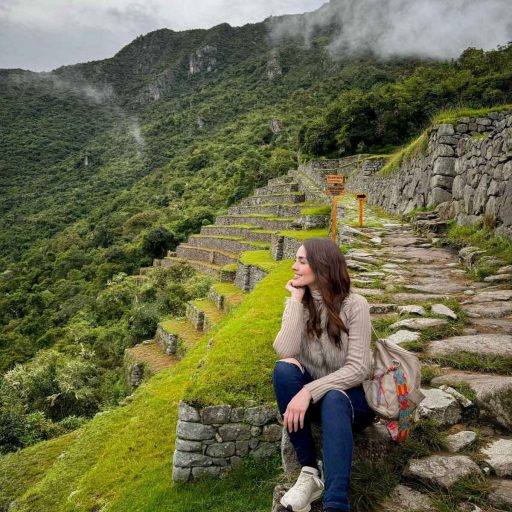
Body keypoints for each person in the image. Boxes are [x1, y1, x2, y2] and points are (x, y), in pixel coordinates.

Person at [272, 237, 375, 512]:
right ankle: (308, 471)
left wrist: (308, 391)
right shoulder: (299, 303)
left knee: (333, 398)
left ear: (322, 265)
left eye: (301, 261)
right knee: (284, 370)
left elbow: (358, 369)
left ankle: (336, 503)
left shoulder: (355, 305)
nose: (294, 266)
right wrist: (295, 300)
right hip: (317, 400)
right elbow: (285, 349)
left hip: (350, 402)